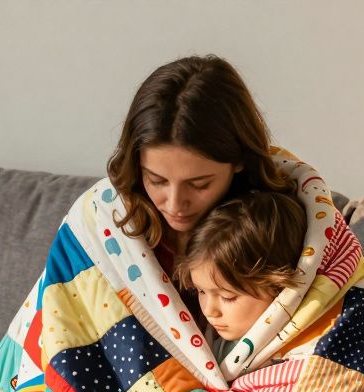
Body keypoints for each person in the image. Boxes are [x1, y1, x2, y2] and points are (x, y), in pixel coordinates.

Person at [105, 55, 296, 289]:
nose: (174, 205)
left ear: (239, 160)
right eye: (156, 180)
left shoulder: (283, 228)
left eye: (199, 184)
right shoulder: (100, 220)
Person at [172, 191, 306, 358]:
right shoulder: (212, 339)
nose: (209, 311)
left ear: (277, 285)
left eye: (227, 297)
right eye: (200, 291)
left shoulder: (301, 352)